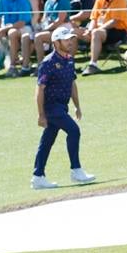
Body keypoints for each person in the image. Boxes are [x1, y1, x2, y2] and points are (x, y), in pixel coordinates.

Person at [31, 26, 95, 190]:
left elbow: (72, 83)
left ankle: (38, 176)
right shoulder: (48, 63)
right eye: (66, 40)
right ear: (56, 42)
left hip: (62, 106)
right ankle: (76, 170)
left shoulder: (69, 59)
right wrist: (41, 115)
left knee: (47, 142)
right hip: (51, 108)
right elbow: (40, 89)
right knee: (74, 131)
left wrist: (77, 106)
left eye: (70, 39)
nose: (70, 42)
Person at [81, 0, 127, 76]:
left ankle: (92, 65)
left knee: (96, 33)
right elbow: (94, 18)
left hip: (117, 31)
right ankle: (69, 65)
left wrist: (96, 30)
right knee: (74, 32)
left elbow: (115, 21)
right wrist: (89, 30)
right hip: (100, 29)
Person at [33, 0, 71, 66]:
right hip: (51, 29)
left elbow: (60, 21)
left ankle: (41, 66)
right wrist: (40, 27)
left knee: (38, 37)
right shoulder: (48, 2)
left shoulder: (64, 1)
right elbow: (44, 18)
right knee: (31, 36)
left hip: (62, 29)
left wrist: (45, 29)